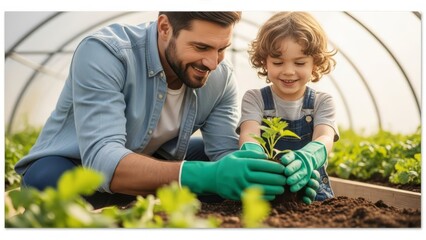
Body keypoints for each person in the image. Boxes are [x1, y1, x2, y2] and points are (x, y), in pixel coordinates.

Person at [14, 12, 296, 209]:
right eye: (201, 47)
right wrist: (203, 177)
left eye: (222, 48)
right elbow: (102, 158)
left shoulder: (220, 77)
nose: (212, 61)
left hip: (149, 163)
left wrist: (273, 176)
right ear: (164, 28)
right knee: (48, 182)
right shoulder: (106, 53)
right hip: (77, 166)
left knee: (218, 162)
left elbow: (223, 154)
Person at [237, 12, 340, 204]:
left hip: (312, 191)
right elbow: (249, 135)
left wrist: (309, 156)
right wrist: (258, 163)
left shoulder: (321, 102)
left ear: (315, 64)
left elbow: (325, 137)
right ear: (264, 62)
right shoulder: (255, 98)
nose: (288, 71)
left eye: (300, 63)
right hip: (266, 187)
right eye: (277, 62)